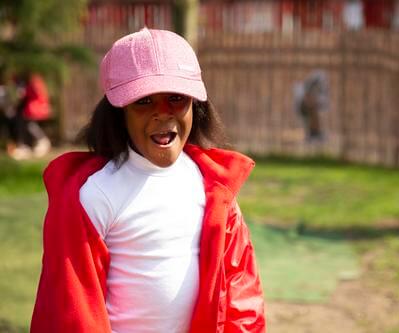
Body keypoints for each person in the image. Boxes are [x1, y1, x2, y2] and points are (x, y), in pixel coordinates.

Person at [31, 28, 266, 333]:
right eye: (143, 101)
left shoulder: (214, 189)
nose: (162, 114)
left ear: (196, 106)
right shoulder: (94, 194)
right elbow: (69, 310)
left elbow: (240, 289)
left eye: (176, 98)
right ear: (119, 112)